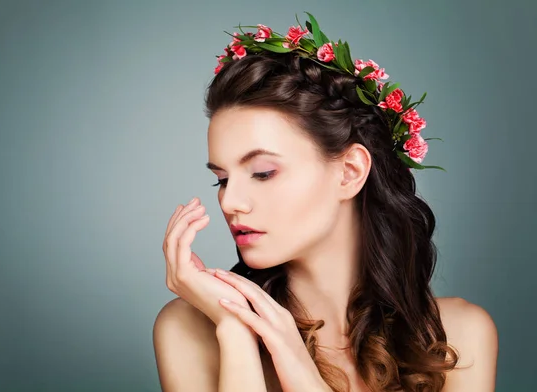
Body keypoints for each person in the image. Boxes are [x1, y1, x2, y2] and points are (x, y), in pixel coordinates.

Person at [153, 13, 498, 392]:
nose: (230, 201)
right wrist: (235, 328)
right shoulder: (190, 327)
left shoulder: (457, 336)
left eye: (263, 172)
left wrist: (299, 370)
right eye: (221, 179)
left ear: (349, 172)